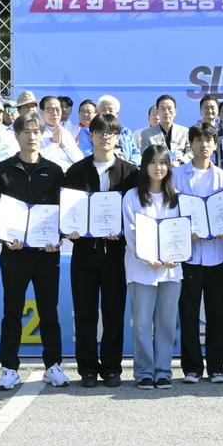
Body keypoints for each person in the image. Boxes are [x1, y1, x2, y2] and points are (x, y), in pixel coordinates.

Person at [0, 112, 69, 390]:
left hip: (47, 253)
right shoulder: (1, 170)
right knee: (12, 310)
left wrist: (58, 238)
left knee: (49, 311)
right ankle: (9, 368)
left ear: (42, 135)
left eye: (37, 132)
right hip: (14, 252)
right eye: (26, 131)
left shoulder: (54, 171)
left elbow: (62, 211)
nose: (32, 136)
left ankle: (53, 365)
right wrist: (4, 237)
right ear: (16, 135)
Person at [63, 114, 138, 388]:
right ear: (91, 136)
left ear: (118, 138)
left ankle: (111, 368)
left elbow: (135, 212)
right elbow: (66, 210)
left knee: (114, 311)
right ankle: (87, 369)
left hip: (116, 253)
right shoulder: (76, 171)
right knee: (85, 312)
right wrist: (68, 229)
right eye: (100, 132)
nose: (105, 137)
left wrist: (123, 230)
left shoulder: (131, 173)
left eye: (111, 133)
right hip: (84, 251)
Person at [173, 122, 223, 384]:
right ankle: (192, 368)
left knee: (217, 312)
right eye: (198, 140)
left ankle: (217, 367)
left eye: (208, 140)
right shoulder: (176, 176)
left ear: (215, 145)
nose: (203, 144)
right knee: (188, 313)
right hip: (188, 255)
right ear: (191, 144)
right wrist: (185, 229)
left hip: (216, 255)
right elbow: (171, 211)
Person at [122, 144, 183, 390]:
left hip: (171, 270)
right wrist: (147, 258)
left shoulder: (176, 197)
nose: (158, 167)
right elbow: (131, 232)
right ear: (144, 165)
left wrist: (175, 256)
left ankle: (164, 371)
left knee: (167, 323)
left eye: (163, 162)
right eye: (153, 162)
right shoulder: (132, 196)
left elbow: (181, 231)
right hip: (141, 270)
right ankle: (144, 372)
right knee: (143, 323)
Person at [77, 95, 141, 164]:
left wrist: (131, 163)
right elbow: (86, 152)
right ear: (97, 112)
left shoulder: (125, 131)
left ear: (117, 114)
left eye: (111, 111)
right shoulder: (87, 131)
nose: (107, 113)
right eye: (104, 110)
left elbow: (136, 153)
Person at [138, 94, 193, 165]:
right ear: (157, 111)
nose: (166, 112)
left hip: (181, 168)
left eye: (170, 109)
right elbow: (145, 156)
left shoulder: (185, 131)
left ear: (175, 112)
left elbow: (191, 152)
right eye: (163, 109)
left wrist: (180, 162)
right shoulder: (146, 133)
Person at [37, 95, 84, 171]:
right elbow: (37, 159)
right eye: (50, 110)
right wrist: (55, 144)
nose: (55, 113)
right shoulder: (37, 132)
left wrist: (64, 145)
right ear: (42, 112)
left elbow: (80, 160)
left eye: (58, 109)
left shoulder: (66, 133)